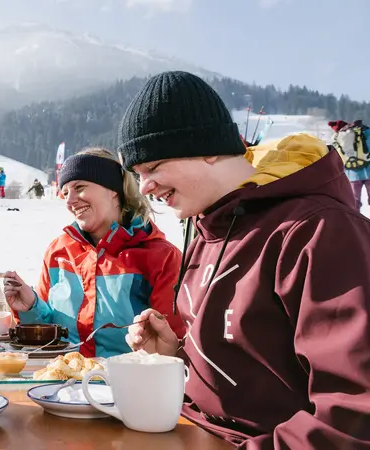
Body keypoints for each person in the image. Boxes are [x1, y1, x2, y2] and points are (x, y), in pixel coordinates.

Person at [120, 71, 370, 449]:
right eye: (138, 175)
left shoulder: (317, 231)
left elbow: (355, 415)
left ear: (205, 147)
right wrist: (176, 357)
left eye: (153, 167)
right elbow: (253, 364)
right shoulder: (207, 224)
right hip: (191, 431)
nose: (145, 188)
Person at [2, 148, 184, 357]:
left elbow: (172, 347)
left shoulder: (161, 258)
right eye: (66, 192)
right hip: (62, 379)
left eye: (79, 187)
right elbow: (47, 339)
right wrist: (30, 308)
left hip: (124, 383)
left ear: (113, 189)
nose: (70, 202)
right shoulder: (58, 253)